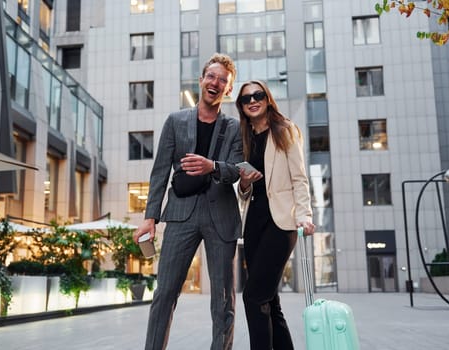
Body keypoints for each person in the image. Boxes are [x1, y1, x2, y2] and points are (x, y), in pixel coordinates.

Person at [133, 53, 243, 350]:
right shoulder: (175, 120)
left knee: (223, 300)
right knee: (165, 292)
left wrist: (212, 167)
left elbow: (236, 169)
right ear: (201, 81)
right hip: (181, 214)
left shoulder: (234, 128)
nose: (216, 83)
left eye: (223, 80)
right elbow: (159, 172)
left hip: (221, 216)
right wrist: (150, 218)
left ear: (228, 90)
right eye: (212, 76)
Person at [235, 80, 316, 350]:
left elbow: (300, 179)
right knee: (269, 300)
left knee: (253, 296)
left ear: (268, 99)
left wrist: (305, 215)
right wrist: (245, 183)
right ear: (242, 107)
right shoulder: (244, 137)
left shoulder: (285, 130)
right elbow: (244, 190)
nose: (252, 101)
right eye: (246, 99)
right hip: (254, 222)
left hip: (282, 222)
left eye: (258, 95)